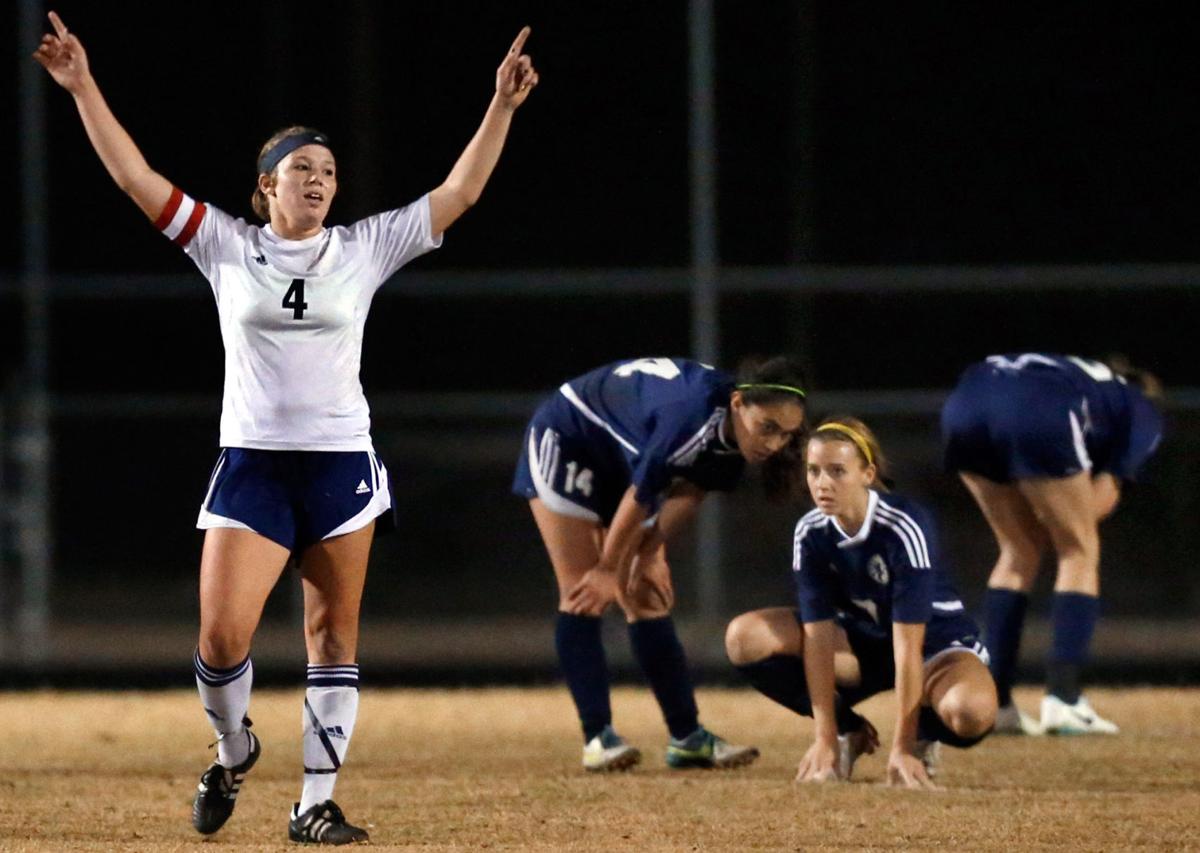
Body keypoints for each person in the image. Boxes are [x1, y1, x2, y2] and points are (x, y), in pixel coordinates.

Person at [34, 10, 538, 844]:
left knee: (331, 636)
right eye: (301, 167)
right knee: (221, 636)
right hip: (255, 467)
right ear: (265, 184)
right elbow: (135, 178)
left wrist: (501, 109)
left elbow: (461, 192)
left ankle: (314, 801)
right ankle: (234, 747)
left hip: (340, 463)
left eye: (329, 169)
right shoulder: (226, 245)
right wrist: (83, 85)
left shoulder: (364, 248)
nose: (319, 178)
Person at [513, 355, 808, 771]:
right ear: (739, 403)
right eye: (769, 428)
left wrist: (650, 549)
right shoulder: (690, 415)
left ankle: (687, 737)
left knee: (646, 596)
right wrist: (609, 568)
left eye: (786, 434)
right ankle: (598, 738)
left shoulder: (735, 431)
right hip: (570, 436)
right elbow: (644, 490)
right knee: (585, 591)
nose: (774, 443)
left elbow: (692, 486)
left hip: (625, 458)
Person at [725, 417, 997, 789]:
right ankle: (848, 733)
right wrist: (826, 734)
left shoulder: (903, 526)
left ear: (867, 474)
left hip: (933, 648)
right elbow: (818, 637)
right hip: (862, 649)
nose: (822, 483)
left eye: (837, 471)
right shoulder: (810, 532)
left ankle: (922, 736)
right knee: (744, 637)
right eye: (814, 470)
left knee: (971, 713)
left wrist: (901, 747)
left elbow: (908, 644)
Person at [941, 353, 1163, 735]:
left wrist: (1041, 519)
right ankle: (1064, 699)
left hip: (967, 399)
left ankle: (997, 702)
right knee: (1079, 548)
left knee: (1017, 549)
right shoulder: (1141, 408)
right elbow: (1098, 503)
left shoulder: (1079, 379)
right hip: (1037, 408)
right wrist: (1059, 521)